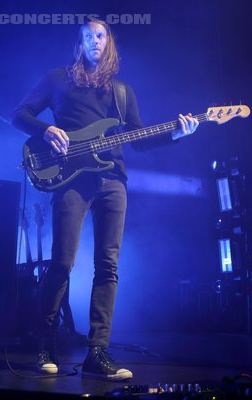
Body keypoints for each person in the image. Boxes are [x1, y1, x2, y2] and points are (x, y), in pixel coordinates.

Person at [12, 18, 199, 380]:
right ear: (79, 44)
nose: (94, 41)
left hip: (113, 181)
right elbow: (19, 114)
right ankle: (45, 344)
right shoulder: (57, 79)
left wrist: (176, 134)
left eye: (100, 36)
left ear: (109, 43)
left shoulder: (123, 92)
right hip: (69, 180)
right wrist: (46, 128)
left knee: (108, 266)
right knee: (62, 263)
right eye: (87, 37)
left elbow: (140, 139)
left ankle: (97, 352)